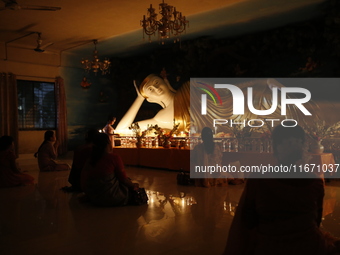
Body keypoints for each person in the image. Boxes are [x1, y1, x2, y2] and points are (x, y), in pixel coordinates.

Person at [223, 123, 340, 255]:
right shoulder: (315, 183)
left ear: (275, 149)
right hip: (309, 247)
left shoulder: (259, 180)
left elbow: (246, 223)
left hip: (269, 247)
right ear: (303, 149)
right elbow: (315, 222)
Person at [115, 73, 190, 134]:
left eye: (156, 82)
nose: (156, 88)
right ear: (149, 99)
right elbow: (121, 130)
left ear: (165, 81)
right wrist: (140, 98)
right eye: (150, 89)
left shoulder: (187, 89)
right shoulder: (162, 118)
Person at [80, 133, 139, 206]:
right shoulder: (114, 158)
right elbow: (123, 179)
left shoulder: (90, 160)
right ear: (107, 143)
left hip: (94, 197)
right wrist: (133, 185)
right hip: (111, 196)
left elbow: (83, 179)